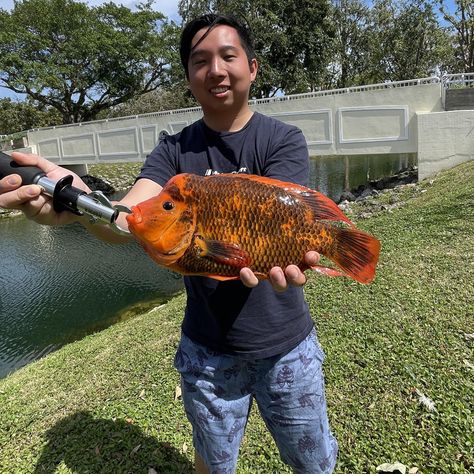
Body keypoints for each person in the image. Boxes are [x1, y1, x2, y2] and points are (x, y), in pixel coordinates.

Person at [0, 13, 338, 474]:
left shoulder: (282, 140)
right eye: (200, 61)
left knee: (313, 462)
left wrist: (302, 251)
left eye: (227, 56)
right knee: (213, 464)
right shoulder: (172, 151)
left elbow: (285, 217)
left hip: (286, 346)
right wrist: (78, 201)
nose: (215, 69)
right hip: (208, 352)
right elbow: (130, 218)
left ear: (253, 68)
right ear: (188, 78)